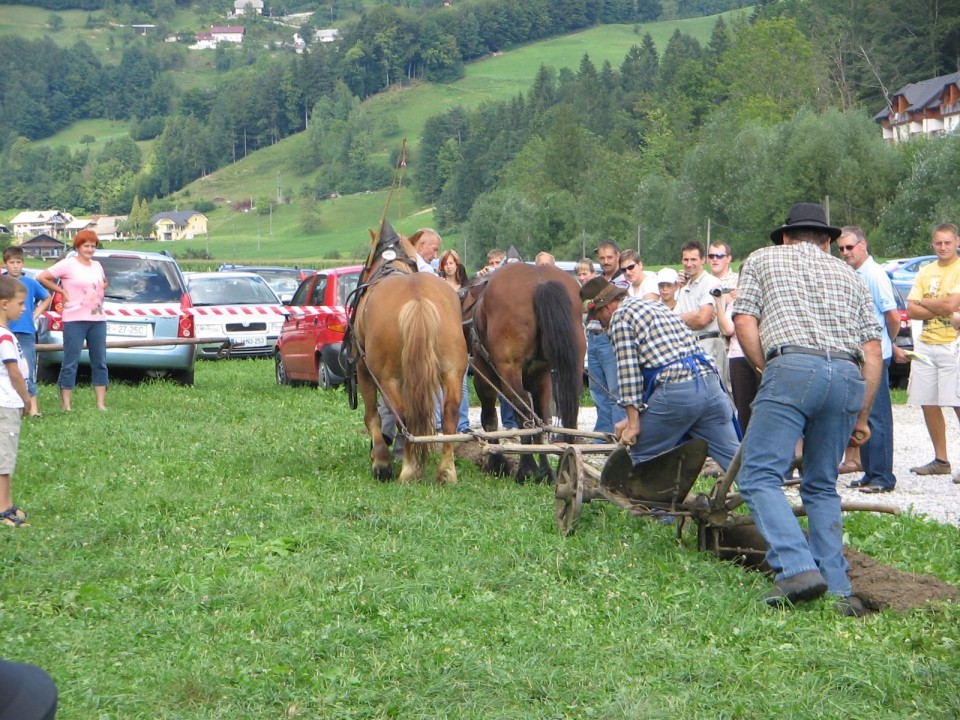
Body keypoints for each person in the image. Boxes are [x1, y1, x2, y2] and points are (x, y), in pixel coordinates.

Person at [733, 203, 882, 616]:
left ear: (785, 236)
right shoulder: (849, 274)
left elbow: (745, 319)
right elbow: (872, 350)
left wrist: (767, 369)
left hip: (793, 364)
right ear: (828, 241)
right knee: (820, 484)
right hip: (849, 376)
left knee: (759, 474)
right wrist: (862, 416)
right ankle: (838, 588)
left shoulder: (762, 259)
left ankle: (797, 568)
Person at [580, 276, 740, 471]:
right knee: (735, 462)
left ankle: (652, 501)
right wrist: (633, 417)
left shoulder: (620, 318)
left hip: (678, 391)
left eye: (598, 318)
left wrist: (633, 424)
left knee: (642, 453)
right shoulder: (655, 307)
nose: (601, 325)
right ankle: (765, 496)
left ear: (606, 307)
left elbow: (628, 374)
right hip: (710, 386)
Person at [839, 226, 904, 493]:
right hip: (860, 357)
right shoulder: (854, 273)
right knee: (861, 412)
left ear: (863, 245)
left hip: (876, 356)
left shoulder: (875, 275)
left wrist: (888, 343)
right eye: (841, 248)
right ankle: (869, 471)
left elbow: (892, 315)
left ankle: (883, 477)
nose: (845, 253)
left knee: (877, 416)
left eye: (849, 247)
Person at [905, 222, 960, 478]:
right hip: (927, 342)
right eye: (938, 243)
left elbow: (952, 302)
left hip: (953, 343)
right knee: (928, 401)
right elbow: (911, 309)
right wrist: (942, 307)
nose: (943, 247)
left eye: (947, 242)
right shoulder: (926, 271)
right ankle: (941, 459)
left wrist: (926, 302)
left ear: (957, 242)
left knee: (957, 401)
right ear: (932, 244)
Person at [36, 230, 108, 412]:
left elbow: (104, 282)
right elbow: (42, 277)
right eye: (86, 246)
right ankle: (66, 404)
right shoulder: (68, 264)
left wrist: (96, 293)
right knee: (71, 361)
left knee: (99, 361)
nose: (90, 249)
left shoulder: (97, 266)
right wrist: (61, 291)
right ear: (78, 247)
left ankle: (100, 403)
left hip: (98, 319)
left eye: (93, 246)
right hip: (74, 319)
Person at [2, 247, 50, 418]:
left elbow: (46, 297)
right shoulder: (2, 282)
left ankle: (33, 408)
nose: (15, 266)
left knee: (27, 369)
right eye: (11, 262)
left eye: (18, 262)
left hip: (25, 331)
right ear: (5, 263)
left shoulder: (30, 283)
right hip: (6, 331)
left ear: (23, 263)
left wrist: (34, 314)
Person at [586, 241, 627, 436]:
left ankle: (619, 433)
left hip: (610, 337)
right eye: (602, 258)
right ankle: (603, 433)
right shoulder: (596, 281)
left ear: (617, 256)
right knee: (597, 389)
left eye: (610, 257)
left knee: (615, 389)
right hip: (593, 336)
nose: (606, 262)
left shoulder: (623, 279)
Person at [0, 276, 31, 528]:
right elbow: (14, 372)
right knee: (4, 459)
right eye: (20, 303)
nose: (23, 308)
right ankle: (3, 509)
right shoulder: (5, 338)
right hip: (7, 403)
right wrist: (27, 399)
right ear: (3, 304)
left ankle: (7, 503)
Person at [675, 240, 727, 388]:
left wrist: (692, 317)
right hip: (689, 348)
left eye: (693, 259)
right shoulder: (684, 288)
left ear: (703, 260)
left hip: (710, 345)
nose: (689, 263)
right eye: (686, 259)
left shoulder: (711, 283)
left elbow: (702, 319)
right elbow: (673, 321)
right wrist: (694, 315)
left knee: (715, 392)